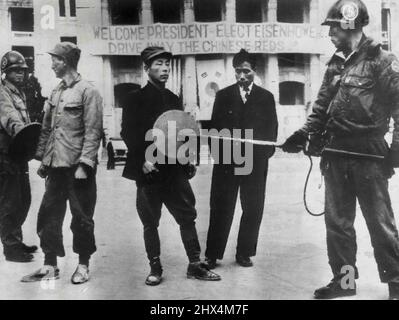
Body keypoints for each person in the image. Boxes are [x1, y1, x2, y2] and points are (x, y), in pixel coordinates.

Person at [282, 0, 399, 300]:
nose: (330, 33)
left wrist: (394, 155)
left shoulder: (382, 61)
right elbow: (320, 107)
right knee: (338, 225)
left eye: (334, 27)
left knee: (380, 224)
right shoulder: (335, 64)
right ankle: (345, 283)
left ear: (349, 26)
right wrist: (302, 135)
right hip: (335, 156)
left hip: (370, 157)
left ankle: (397, 284)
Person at [121, 46, 221, 286]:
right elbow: (128, 133)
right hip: (150, 172)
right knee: (150, 221)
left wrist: (188, 158)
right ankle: (155, 267)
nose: (165, 69)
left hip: (174, 170)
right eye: (159, 65)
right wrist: (142, 161)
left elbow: (181, 132)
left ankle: (195, 264)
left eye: (167, 65)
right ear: (146, 68)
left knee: (187, 216)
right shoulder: (135, 99)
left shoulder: (173, 98)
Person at [21, 42, 103, 284]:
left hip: (78, 170)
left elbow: (93, 131)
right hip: (55, 169)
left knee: (82, 219)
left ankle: (83, 265)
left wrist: (85, 165)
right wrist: (43, 159)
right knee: (48, 216)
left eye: (55, 60)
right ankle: (49, 265)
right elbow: (47, 129)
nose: (52, 64)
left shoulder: (88, 91)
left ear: (66, 61)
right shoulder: (56, 92)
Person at [204, 49, 278, 269]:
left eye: (246, 71)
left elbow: (271, 131)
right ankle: (212, 254)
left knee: (253, 207)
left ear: (255, 71)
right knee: (221, 206)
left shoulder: (266, 97)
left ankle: (244, 252)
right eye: (238, 71)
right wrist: (220, 158)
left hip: (254, 163)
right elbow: (214, 130)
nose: (242, 76)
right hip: (227, 162)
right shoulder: (223, 95)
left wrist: (262, 158)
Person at [0, 51, 37, 263]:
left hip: (18, 154)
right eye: (15, 71)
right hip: (6, 155)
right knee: (10, 202)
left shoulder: (19, 92)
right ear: (5, 72)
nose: (21, 74)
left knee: (23, 200)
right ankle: (11, 248)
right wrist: (23, 134)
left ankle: (15, 239)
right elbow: (10, 118)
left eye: (23, 70)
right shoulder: (3, 92)